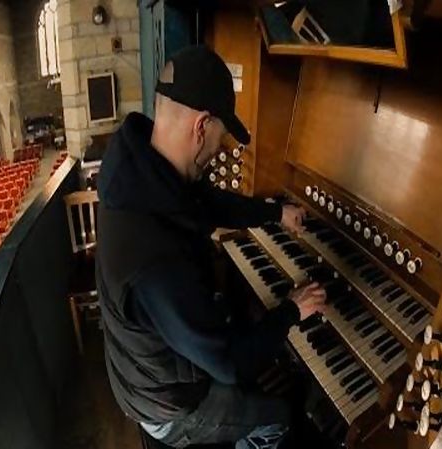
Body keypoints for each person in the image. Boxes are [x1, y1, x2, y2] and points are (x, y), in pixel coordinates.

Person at [95, 46, 326, 449]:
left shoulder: (142, 168)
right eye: (222, 137)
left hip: (142, 366)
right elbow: (228, 363)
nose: (220, 150)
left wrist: (275, 213)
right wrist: (292, 309)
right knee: (280, 416)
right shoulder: (155, 259)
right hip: (166, 404)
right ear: (201, 126)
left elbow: (209, 203)